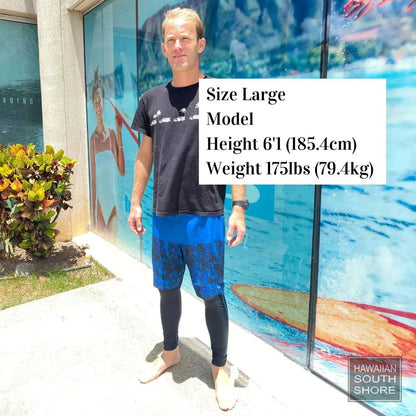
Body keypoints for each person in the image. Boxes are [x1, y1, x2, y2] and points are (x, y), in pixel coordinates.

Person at [128, 7, 247, 412]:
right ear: (164, 48)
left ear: (200, 44)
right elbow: (145, 157)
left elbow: (236, 154)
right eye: (171, 40)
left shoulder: (221, 96)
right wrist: (135, 203)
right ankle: (171, 352)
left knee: (212, 296)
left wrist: (239, 207)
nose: (178, 46)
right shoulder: (151, 100)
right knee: (166, 290)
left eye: (185, 38)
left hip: (206, 215)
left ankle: (219, 368)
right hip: (164, 216)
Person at [89, 69, 125, 243]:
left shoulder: (111, 134)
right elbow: (94, 180)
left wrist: (119, 133)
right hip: (99, 206)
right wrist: (93, 210)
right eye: (95, 102)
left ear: (104, 103)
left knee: (113, 245)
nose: (98, 106)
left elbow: (122, 171)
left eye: (100, 101)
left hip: (112, 205)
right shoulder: (92, 140)